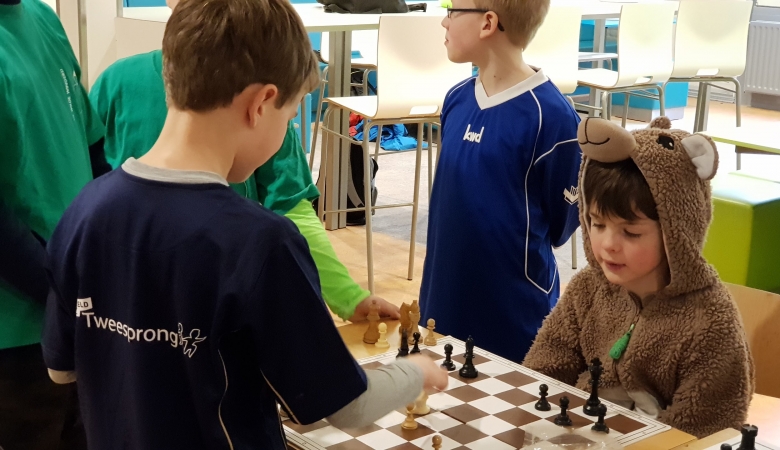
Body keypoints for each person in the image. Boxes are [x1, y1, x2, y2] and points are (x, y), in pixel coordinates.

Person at [41, 0, 447, 447]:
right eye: (290, 117)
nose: (285, 131)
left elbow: (61, 369)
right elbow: (349, 407)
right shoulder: (260, 243)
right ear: (261, 103)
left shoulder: (84, 212)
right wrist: (416, 371)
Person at [88, 0, 396, 324]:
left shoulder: (265, 96)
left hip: (223, 305)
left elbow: (290, 205)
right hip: (131, 305)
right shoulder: (116, 84)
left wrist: (348, 297)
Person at [523, 117, 754, 438]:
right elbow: (545, 366)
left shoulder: (711, 322)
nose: (608, 244)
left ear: (677, 230)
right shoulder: (587, 288)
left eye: (631, 232)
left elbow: (704, 430)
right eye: (597, 223)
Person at [419, 0, 582, 362]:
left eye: (452, 10)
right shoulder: (456, 98)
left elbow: (561, 225)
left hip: (514, 317)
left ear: (488, 23)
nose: (444, 22)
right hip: (443, 300)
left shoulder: (551, 116)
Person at [0, 0, 110, 447]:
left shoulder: (43, 18)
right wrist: (60, 292)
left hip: (77, 309)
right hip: (17, 332)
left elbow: (93, 148)